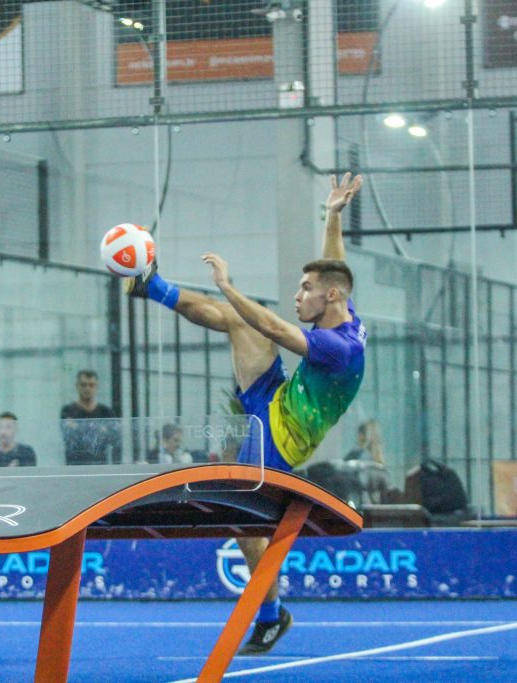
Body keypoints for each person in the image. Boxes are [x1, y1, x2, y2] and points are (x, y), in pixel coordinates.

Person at [124, 173, 366, 655]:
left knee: (247, 529)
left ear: (329, 298)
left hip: (282, 435)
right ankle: (154, 286)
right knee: (237, 319)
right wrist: (333, 215)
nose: (298, 294)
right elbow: (334, 266)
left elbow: (276, 328)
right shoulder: (344, 310)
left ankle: (270, 616)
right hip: (277, 398)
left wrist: (228, 286)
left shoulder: (338, 347)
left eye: (305, 288)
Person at [60, 369, 121, 465]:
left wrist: (78, 428)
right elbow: (69, 436)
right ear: (77, 386)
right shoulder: (68, 410)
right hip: (74, 467)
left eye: (91, 385)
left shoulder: (106, 412)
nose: (87, 388)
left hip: (100, 466)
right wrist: (99, 429)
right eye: (83, 385)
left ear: (97, 387)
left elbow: (114, 439)